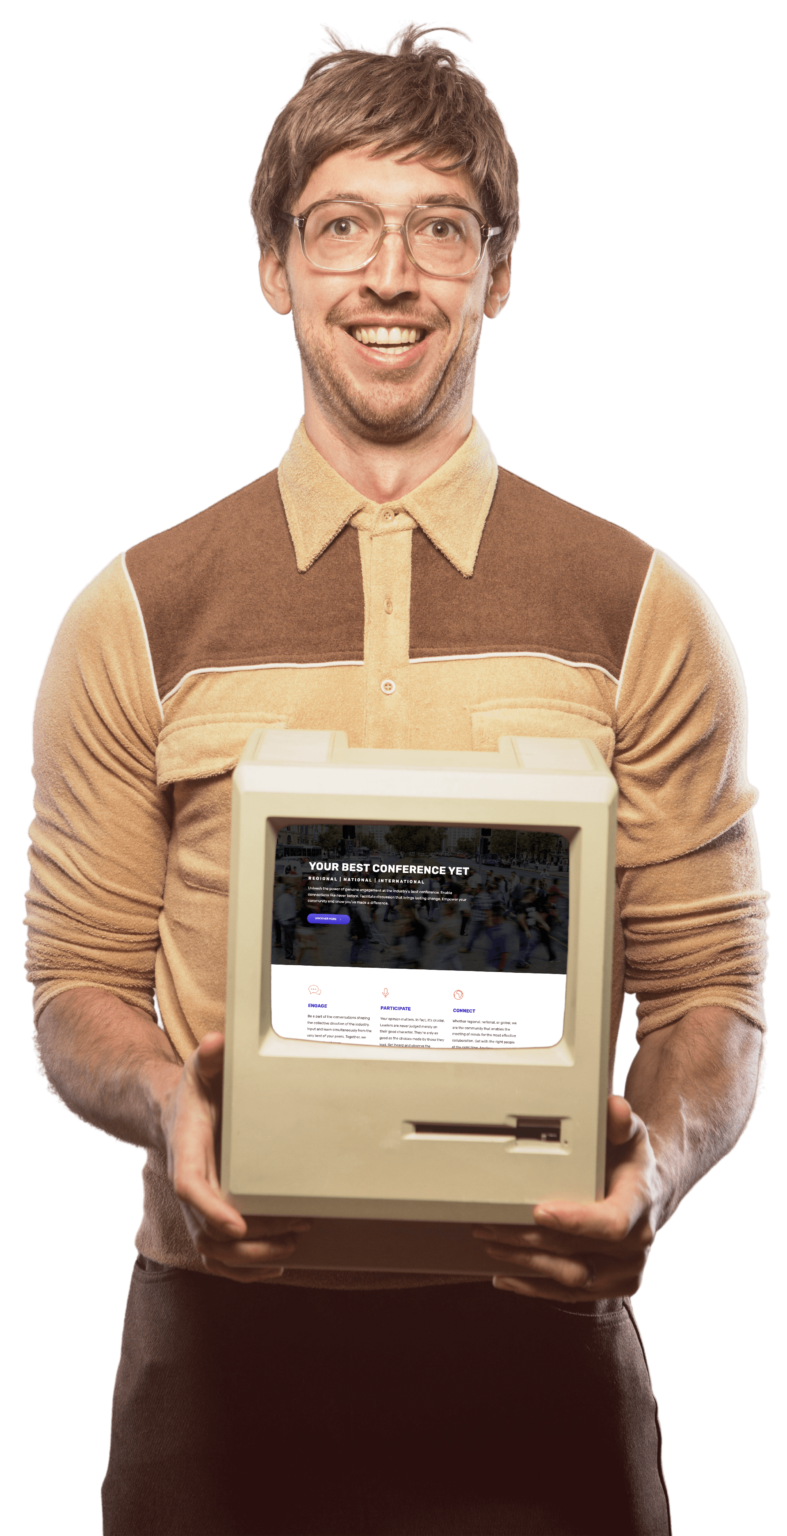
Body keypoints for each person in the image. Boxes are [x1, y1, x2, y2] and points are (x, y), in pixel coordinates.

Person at [25, 20, 769, 1536]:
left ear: (497, 273)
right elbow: (71, 991)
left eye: (440, 229)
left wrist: (658, 1174)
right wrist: (172, 1106)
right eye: (340, 225)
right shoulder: (133, 612)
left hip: (540, 1347)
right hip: (212, 1352)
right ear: (274, 268)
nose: (388, 275)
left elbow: (712, 998)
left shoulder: (641, 608)